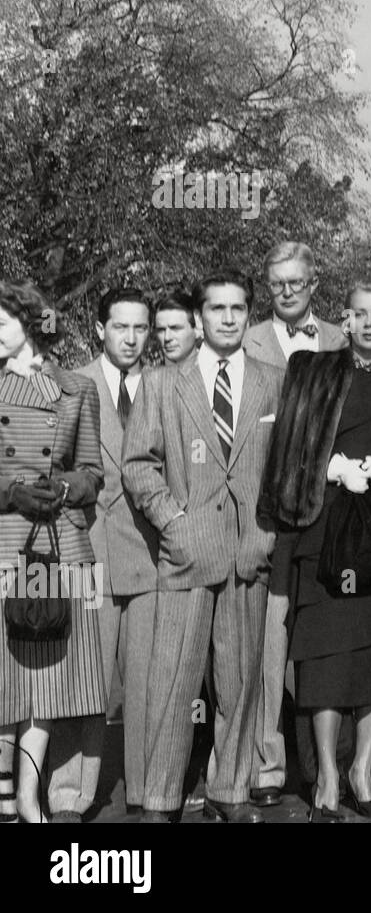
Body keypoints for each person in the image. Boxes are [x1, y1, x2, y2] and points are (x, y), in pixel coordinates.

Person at [259, 280, 371, 821]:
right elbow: (287, 445)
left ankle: (364, 771)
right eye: (359, 314)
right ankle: (328, 772)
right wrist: (332, 469)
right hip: (326, 527)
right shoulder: (312, 370)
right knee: (325, 656)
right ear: (345, 320)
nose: (370, 323)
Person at [122, 270, 283, 823]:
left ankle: (231, 792)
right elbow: (138, 466)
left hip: (248, 554)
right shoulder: (163, 382)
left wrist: (268, 531)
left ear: (249, 312)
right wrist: (174, 522)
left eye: (239, 308)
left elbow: (288, 468)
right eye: (217, 309)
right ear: (199, 317)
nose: (229, 319)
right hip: (188, 553)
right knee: (173, 680)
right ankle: (161, 800)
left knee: (240, 684)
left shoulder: (273, 380)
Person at [241, 242, 347, 810]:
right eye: (276, 283)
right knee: (267, 646)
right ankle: (268, 763)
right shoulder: (247, 339)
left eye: (296, 282)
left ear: (314, 281)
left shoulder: (339, 340)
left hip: (323, 513)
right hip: (265, 510)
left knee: (318, 644)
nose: (286, 292)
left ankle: (321, 767)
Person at [46, 289, 156, 821]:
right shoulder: (70, 385)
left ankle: (147, 790)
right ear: (98, 329)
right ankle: (69, 794)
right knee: (82, 681)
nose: (131, 339)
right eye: (120, 328)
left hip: (152, 557)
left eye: (141, 328)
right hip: (88, 553)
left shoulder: (167, 385)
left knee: (146, 684)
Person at [0, 282, 105, 825]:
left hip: (59, 547)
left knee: (43, 680)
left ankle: (26, 797)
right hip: (3, 542)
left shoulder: (74, 389)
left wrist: (64, 488)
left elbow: (92, 472)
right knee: (3, 680)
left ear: (30, 323)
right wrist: (9, 492)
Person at [153, 290, 201, 365]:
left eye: (175, 328)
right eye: (161, 330)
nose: (167, 338)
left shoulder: (215, 373)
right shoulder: (151, 374)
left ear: (197, 330)